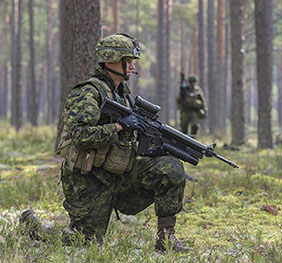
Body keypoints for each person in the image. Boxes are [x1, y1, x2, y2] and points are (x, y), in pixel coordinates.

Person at [21, 33, 189, 252]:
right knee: (85, 241)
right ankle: (34, 228)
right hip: (89, 179)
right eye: (127, 61)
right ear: (111, 60)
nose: (131, 67)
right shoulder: (87, 92)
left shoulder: (122, 95)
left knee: (170, 168)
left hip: (119, 174)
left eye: (131, 62)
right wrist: (119, 126)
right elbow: (80, 136)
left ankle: (166, 241)